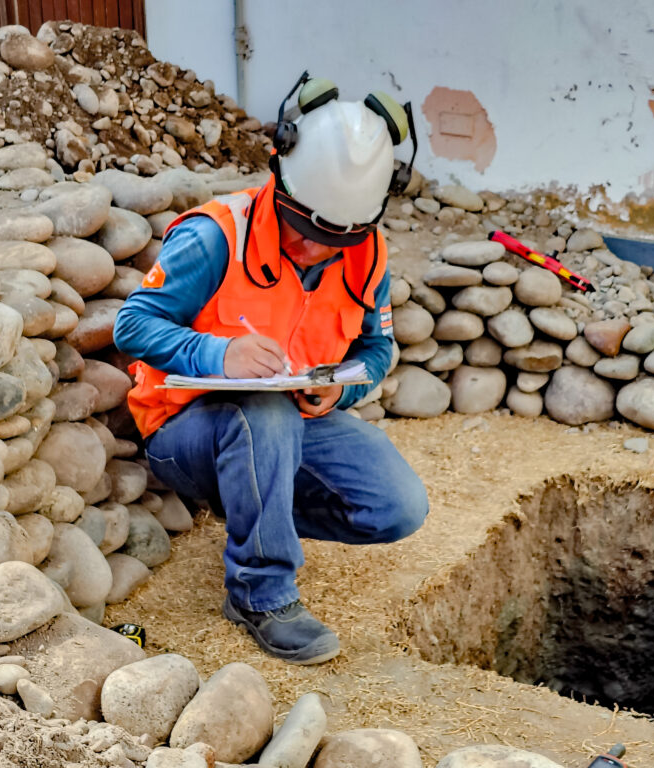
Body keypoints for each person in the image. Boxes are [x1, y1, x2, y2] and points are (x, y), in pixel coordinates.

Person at [113, 72, 429, 665]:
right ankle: (260, 594)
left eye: (333, 239)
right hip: (184, 433)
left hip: (288, 422)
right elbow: (132, 326)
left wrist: (336, 392)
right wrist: (218, 355)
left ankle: (261, 516)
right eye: (303, 228)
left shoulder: (368, 254)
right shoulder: (216, 236)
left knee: (398, 506)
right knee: (262, 413)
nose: (313, 249)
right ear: (279, 179)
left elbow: (376, 350)